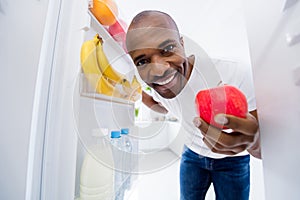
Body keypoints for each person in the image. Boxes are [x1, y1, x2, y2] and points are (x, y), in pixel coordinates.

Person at [125, 10, 261, 200]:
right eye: (143, 61)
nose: (159, 69)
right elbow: (166, 106)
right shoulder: (156, 87)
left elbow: (266, 149)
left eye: (167, 49)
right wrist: (147, 101)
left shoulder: (234, 72)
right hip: (192, 156)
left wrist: (254, 142)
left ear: (182, 44)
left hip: (233, 162)